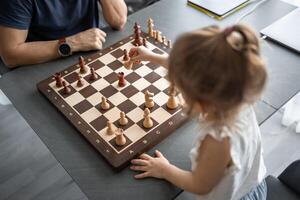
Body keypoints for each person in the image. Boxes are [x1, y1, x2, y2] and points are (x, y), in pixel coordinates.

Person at [129, 25, 268, 200]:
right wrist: (151, 56)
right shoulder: (238, 94)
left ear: (202, 98)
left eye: (182, 90)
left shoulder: (218, 139)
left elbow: (199, 185)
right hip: (252, 183)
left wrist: (164, 169)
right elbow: (188, 70)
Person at [0, 0, 127, 68]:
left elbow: (118, 20)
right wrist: (72, 43)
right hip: (45, 64)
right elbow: (10, 55)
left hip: (92, 51)